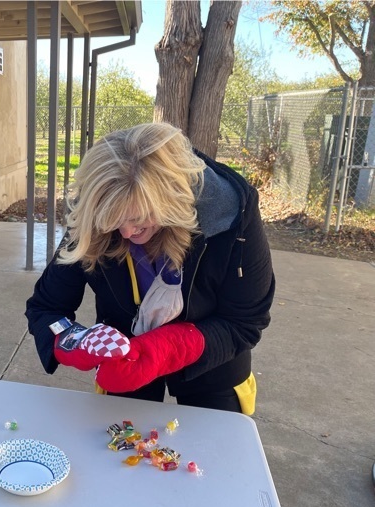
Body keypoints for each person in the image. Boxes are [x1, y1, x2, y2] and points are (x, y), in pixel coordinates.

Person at [25, 122, 275, 414]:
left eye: (140, 219)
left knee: (210, 454)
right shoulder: (98, 208)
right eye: (114, 220)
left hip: (215, 363)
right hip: (123, 362)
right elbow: (47, 307)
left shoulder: (230, 213)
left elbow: (246, 319)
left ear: (172, 201)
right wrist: (72, 340)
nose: (126, 232)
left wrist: (170, 347)